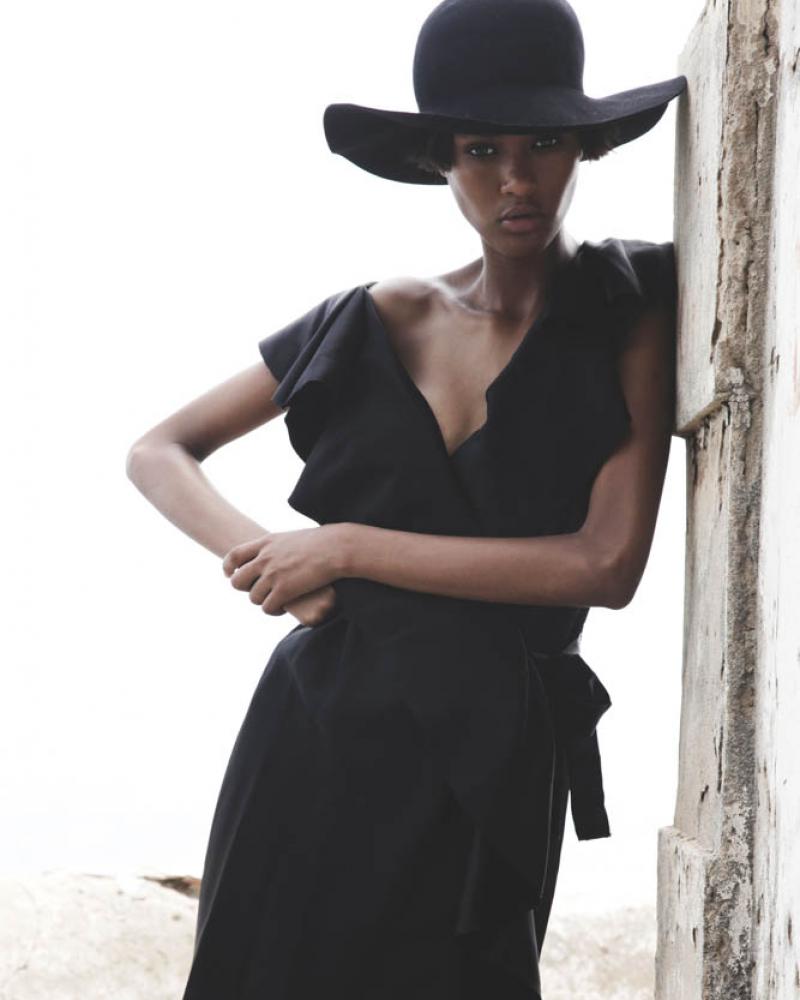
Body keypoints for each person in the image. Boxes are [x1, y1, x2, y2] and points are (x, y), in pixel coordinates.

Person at [126, 0, 686, 996]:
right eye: (480, 149)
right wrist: (269, 561)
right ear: (439, 160)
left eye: (542, 143)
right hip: (314, 730)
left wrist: (342, 547)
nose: (514, 178)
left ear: (582, 148)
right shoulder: (379, 316)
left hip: (491, 753)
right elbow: (159, 450)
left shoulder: (627, 302)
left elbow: (605, 565)